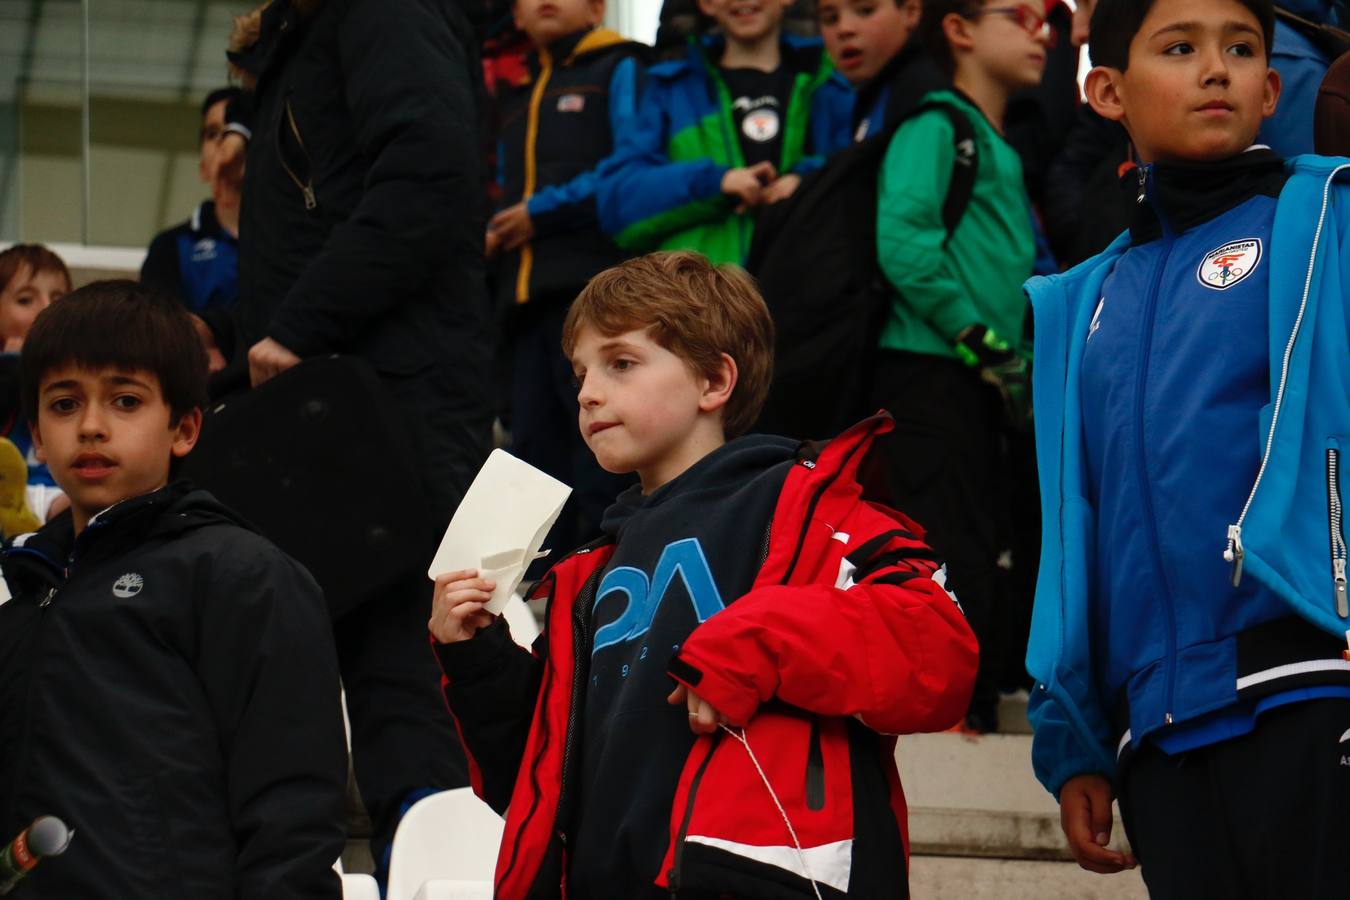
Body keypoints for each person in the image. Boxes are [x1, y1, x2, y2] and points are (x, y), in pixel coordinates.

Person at [429, 251, 979, 899]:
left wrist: (756, 639)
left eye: (621, 363)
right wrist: (477, 660)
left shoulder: (806, 508)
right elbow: (536, 784)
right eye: (579, 372)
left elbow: (938, 650)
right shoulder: (589, 570)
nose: (586, 392)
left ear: (715, 382)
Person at [1025, 0, 1350, 893]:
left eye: (1240, 49)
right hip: (1158, 730)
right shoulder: (1080, 301)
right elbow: (1075, 528)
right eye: (1180, 48)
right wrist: (1079, 740)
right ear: (1106, 91)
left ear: (1272, 86)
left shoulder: (1326, 221)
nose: (1217, 69)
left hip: (1315, 683)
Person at [217, 0, 496, 874]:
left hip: (383, 407)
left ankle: (441, 880)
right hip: (335, 406)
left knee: (404, 678)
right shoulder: (312, 33)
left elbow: (429, 174)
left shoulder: (381, 9)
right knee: (332, 680)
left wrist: (299, 323)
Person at [0, 280, 347, 898]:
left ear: (185, 428)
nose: (91, 427)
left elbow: (292, 815)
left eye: (125, 401)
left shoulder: (242, 575)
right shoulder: (18, 589)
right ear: (37, 432)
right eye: (63, 404)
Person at [869, 0, 1048, 733]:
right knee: (938, 540)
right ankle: (942, 711)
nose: (1042, 28)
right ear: (960, 29)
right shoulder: (937, 124)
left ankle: (959, 703)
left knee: (974, 536)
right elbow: (903, 240)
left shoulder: (991, 139)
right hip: (928, 371)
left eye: (1047, 17)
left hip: (972, 379)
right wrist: (976, 336)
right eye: (1021, 13)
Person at [491, 0, 646, 553]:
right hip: (526, 300)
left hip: (596, 295)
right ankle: (540, 591)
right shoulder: (516, 93)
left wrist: (541, 210)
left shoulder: (621, 67)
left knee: (602, 446)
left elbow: (631, 164)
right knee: (531, 451)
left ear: (599, 8)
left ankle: (610, 572)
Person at [596, 0, 852, 265]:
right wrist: (716, 183)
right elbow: (619, 204)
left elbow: (861, 180)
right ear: (706, 4)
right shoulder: (666, 91)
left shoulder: (831, 86)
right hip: (699, 298)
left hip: (808, 291)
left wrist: (805, 184)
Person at [140, 85, 241, 372]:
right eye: (212, 133)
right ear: (202, 165)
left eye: (236, 131)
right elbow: (161, 334)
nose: (225, 143)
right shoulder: (170, 246)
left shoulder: (296, 240)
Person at [0, 244, 71, 523]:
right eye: (26, 300)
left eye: (58, 297)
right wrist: (11, 364)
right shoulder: (6, 365)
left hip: (64, 490)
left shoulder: (86, 363)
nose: (46, 308)